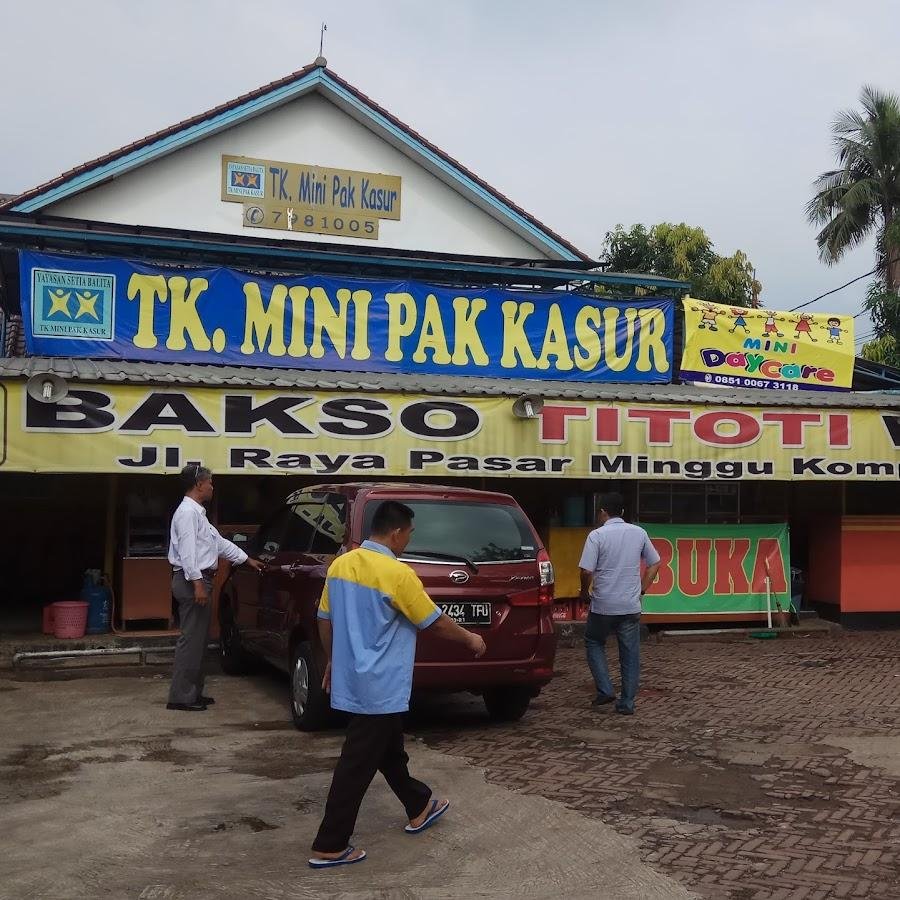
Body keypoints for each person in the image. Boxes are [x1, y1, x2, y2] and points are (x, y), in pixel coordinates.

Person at [309, 500, 487, 870]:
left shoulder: (340, 565)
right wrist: (470, 640)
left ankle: (419, 805)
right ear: (396, 533)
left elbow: (324, 618)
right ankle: (330, 843)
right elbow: (433, 621)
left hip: (356, 679)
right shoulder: (397, 573)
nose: (407, 540)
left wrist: (332, 661)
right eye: (408, 534)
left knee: (389, 751)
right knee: (356, 765)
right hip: (382, 682)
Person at [167, 464, 263, 711]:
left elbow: (218, 543)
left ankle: (193, 692)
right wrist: (197, 583)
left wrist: (245, 558)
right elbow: (188, 554)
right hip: (192, 582)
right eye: (209, 482)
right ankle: (181, 697)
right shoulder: (187, 513)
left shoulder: (198, 513)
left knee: (200, 640)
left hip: (199, 580)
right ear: (199, 484)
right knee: (191, 640)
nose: (212, 486)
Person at [578, 492, 660, 716]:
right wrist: (642, 589)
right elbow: (655, 563)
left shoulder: (596, 536)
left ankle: (605, 689)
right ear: (622, 512)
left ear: (603, 511)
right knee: (630, 654)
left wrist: (584, 592)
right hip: (630, 605)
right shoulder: (639, 533)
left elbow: (586, 571)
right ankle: (627, 703)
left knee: (594, 641)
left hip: (603, 605)